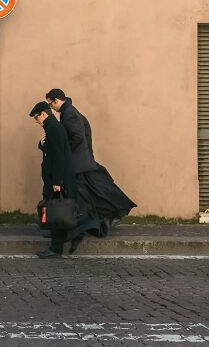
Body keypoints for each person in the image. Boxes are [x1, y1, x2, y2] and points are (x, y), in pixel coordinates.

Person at [45, 88, 137, 252]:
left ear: (57, 100)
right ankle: (98, 221)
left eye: (51, 103)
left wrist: (66, 152)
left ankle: (98, 220)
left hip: (79, 163)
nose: (51, 107)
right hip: (83, 161)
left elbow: (78, 137)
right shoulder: (70, 112)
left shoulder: (69, 114)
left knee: (91, 193)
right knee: (94, 192)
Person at [29, 101, 75, 259]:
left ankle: (55, 248)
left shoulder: (53, 128)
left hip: (56, 181)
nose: (36, 121)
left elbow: (58, 158)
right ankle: (57, 244)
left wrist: (56, 182)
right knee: (56, 212)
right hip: (56, 179)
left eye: (36, 117)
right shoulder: (52, 127)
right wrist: (42, 145)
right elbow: (54, 150)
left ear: (43, 114)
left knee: (55, 212)